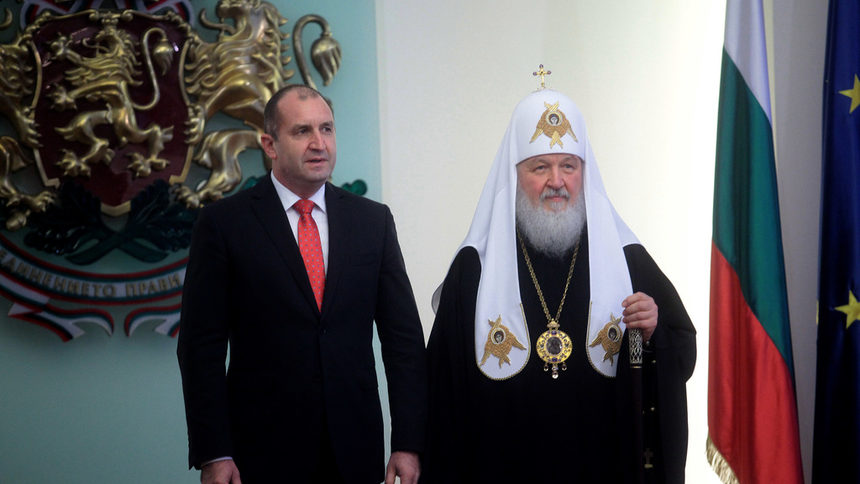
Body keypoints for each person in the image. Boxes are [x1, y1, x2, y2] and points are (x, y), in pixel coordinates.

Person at [422, 82, 696, 484]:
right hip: (502, 467)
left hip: (602, 466)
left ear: (584, 171)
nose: (557, 181)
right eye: (540, 167)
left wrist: (653, 332)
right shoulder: (474, 267)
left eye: (569, 165)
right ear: (515, 175)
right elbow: (442, 387)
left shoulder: (625, 257)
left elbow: (680, 351)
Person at [178, 84, 427, 484]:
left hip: (355, 451)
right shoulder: (224, 224)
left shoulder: (372, 221)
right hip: (260, 454)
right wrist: (214, 452)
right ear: (270, 145)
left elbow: (404, 341)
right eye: (302, 131)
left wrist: (408, 442)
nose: (318, 143)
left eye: (326, 129)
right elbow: (200, 348)